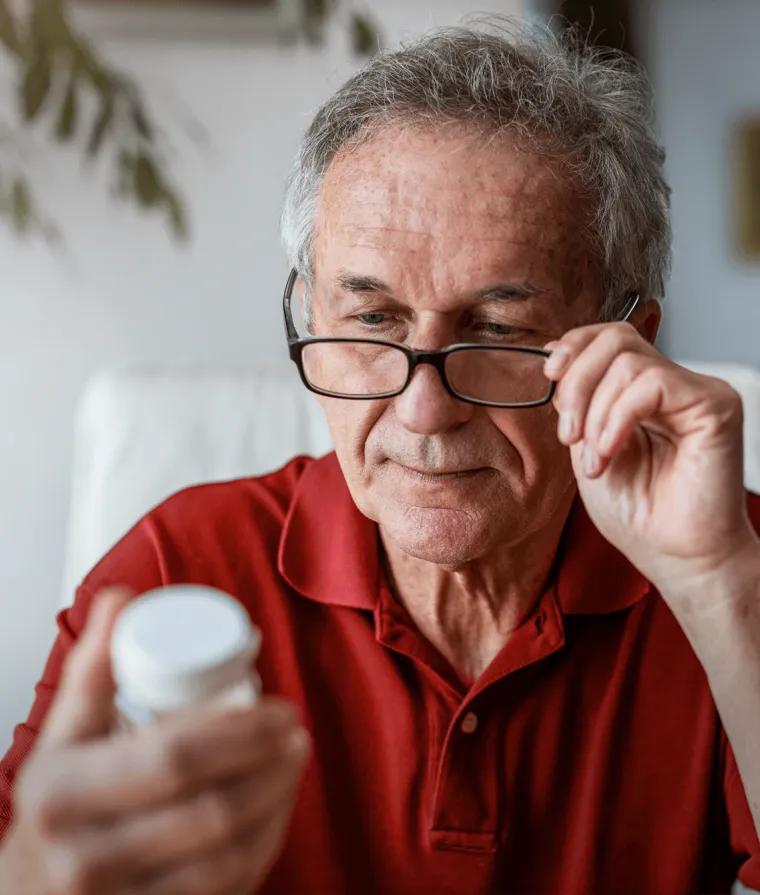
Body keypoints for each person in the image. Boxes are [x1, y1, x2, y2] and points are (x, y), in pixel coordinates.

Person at [1, 19, 759, 895]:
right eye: (370, 321)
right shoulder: (182, 566)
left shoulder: (725, 567)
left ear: (631, 346)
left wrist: (718, 582)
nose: (423, 408)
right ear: (310, 317)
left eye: (500, 329)